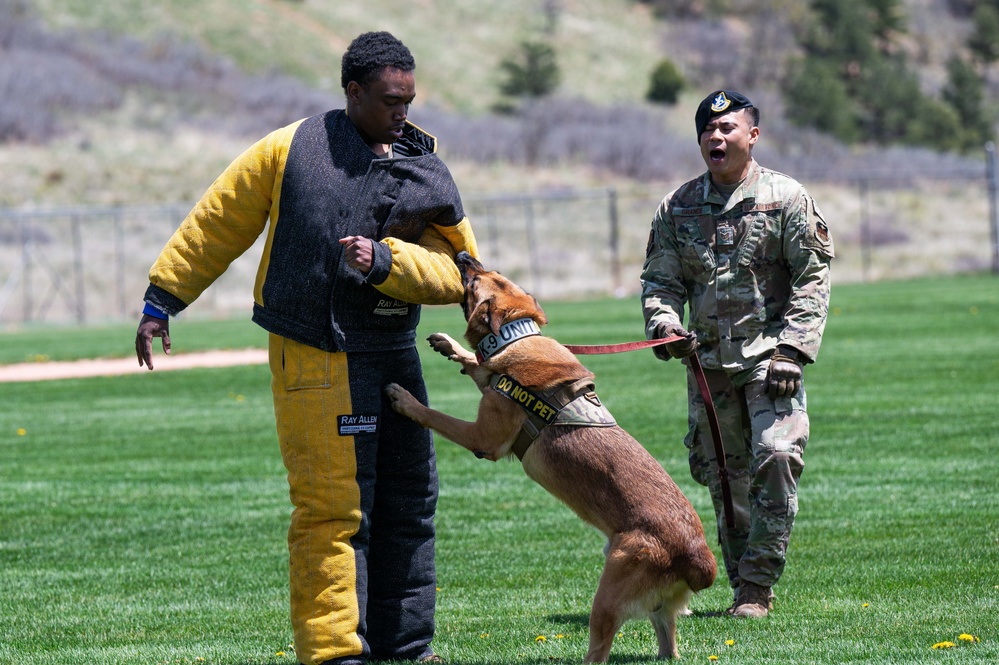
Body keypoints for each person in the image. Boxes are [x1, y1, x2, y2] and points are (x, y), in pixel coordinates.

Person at [134, 31, 478, 665]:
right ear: (352, 92)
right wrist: (164, 298)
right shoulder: (289, 150)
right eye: (387, 101)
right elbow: (218, 221)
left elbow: (462, 271)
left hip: (393, 350)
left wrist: (388, 262)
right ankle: (335, 654)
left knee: (409, 502)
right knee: (333, 512)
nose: (402, 113)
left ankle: (407, 648)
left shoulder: (423, 161)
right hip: (316, 353)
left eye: (408, 99)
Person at [640, 90, 833, 618]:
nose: (715, 137)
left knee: (775, 455)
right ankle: (743, 585)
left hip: (772, 360)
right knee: (726, 474)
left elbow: (811, 278)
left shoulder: (786, 198)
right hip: (708, 365)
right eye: (707, 129)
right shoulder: (677, 207)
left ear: (753, 135)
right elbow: (660, 281)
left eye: (727, 128)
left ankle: (757, 585)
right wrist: (663, 323)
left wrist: (793, 349)